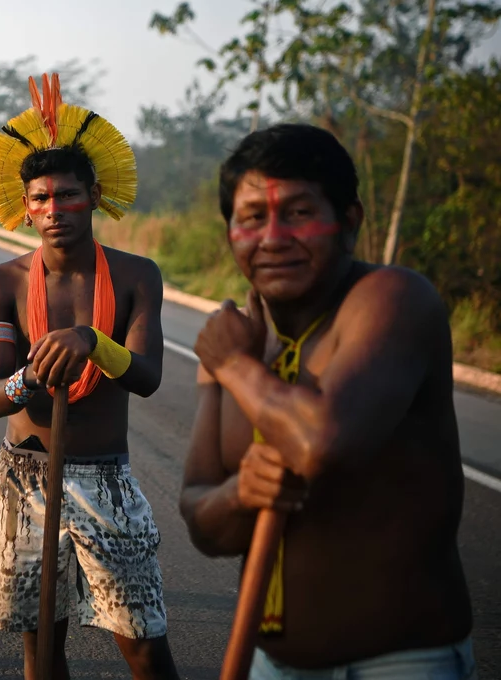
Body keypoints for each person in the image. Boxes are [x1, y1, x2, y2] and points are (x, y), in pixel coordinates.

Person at [182, 124, 475, 679]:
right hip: (272, 664)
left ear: (350, 222)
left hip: (402, 662)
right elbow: (202, 522)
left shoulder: (392, 301)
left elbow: (323, 442)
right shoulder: (236, 339)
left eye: (297, 213)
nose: (272, 238)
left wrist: (236, 368)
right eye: (251, 218)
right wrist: (241, 493)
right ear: (229, 232)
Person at [0, 74, 179, 680]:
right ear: (24, 207)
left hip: (105, 480)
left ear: (94, 196)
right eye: (39, 199)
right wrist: (30, 379)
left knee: (145, 646)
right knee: (42, 648)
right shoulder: (4, 282)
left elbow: (145, 377)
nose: (53, 210)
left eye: (67, 196)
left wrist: (93, 342)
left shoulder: (138, 275)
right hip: (25, 480)